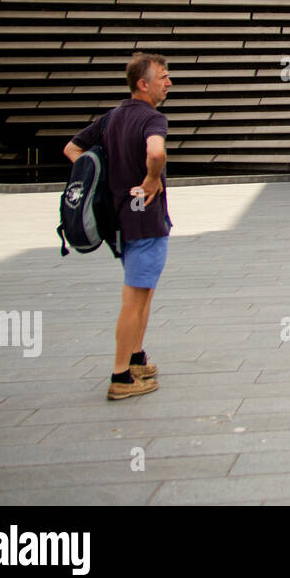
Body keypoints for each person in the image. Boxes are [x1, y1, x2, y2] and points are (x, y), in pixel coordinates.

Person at [64, 53, 173, 400]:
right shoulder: (152, 119)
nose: (168, 83)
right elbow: (156, 153)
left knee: (143, 292)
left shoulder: (111, 118)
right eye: (163, 77)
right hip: (145, 219)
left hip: (120, 223)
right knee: (134, 298)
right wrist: (150, 180)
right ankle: (121, 377)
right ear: (143, 84)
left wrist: (106, 177)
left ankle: (137, 357)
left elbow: (72, 149)